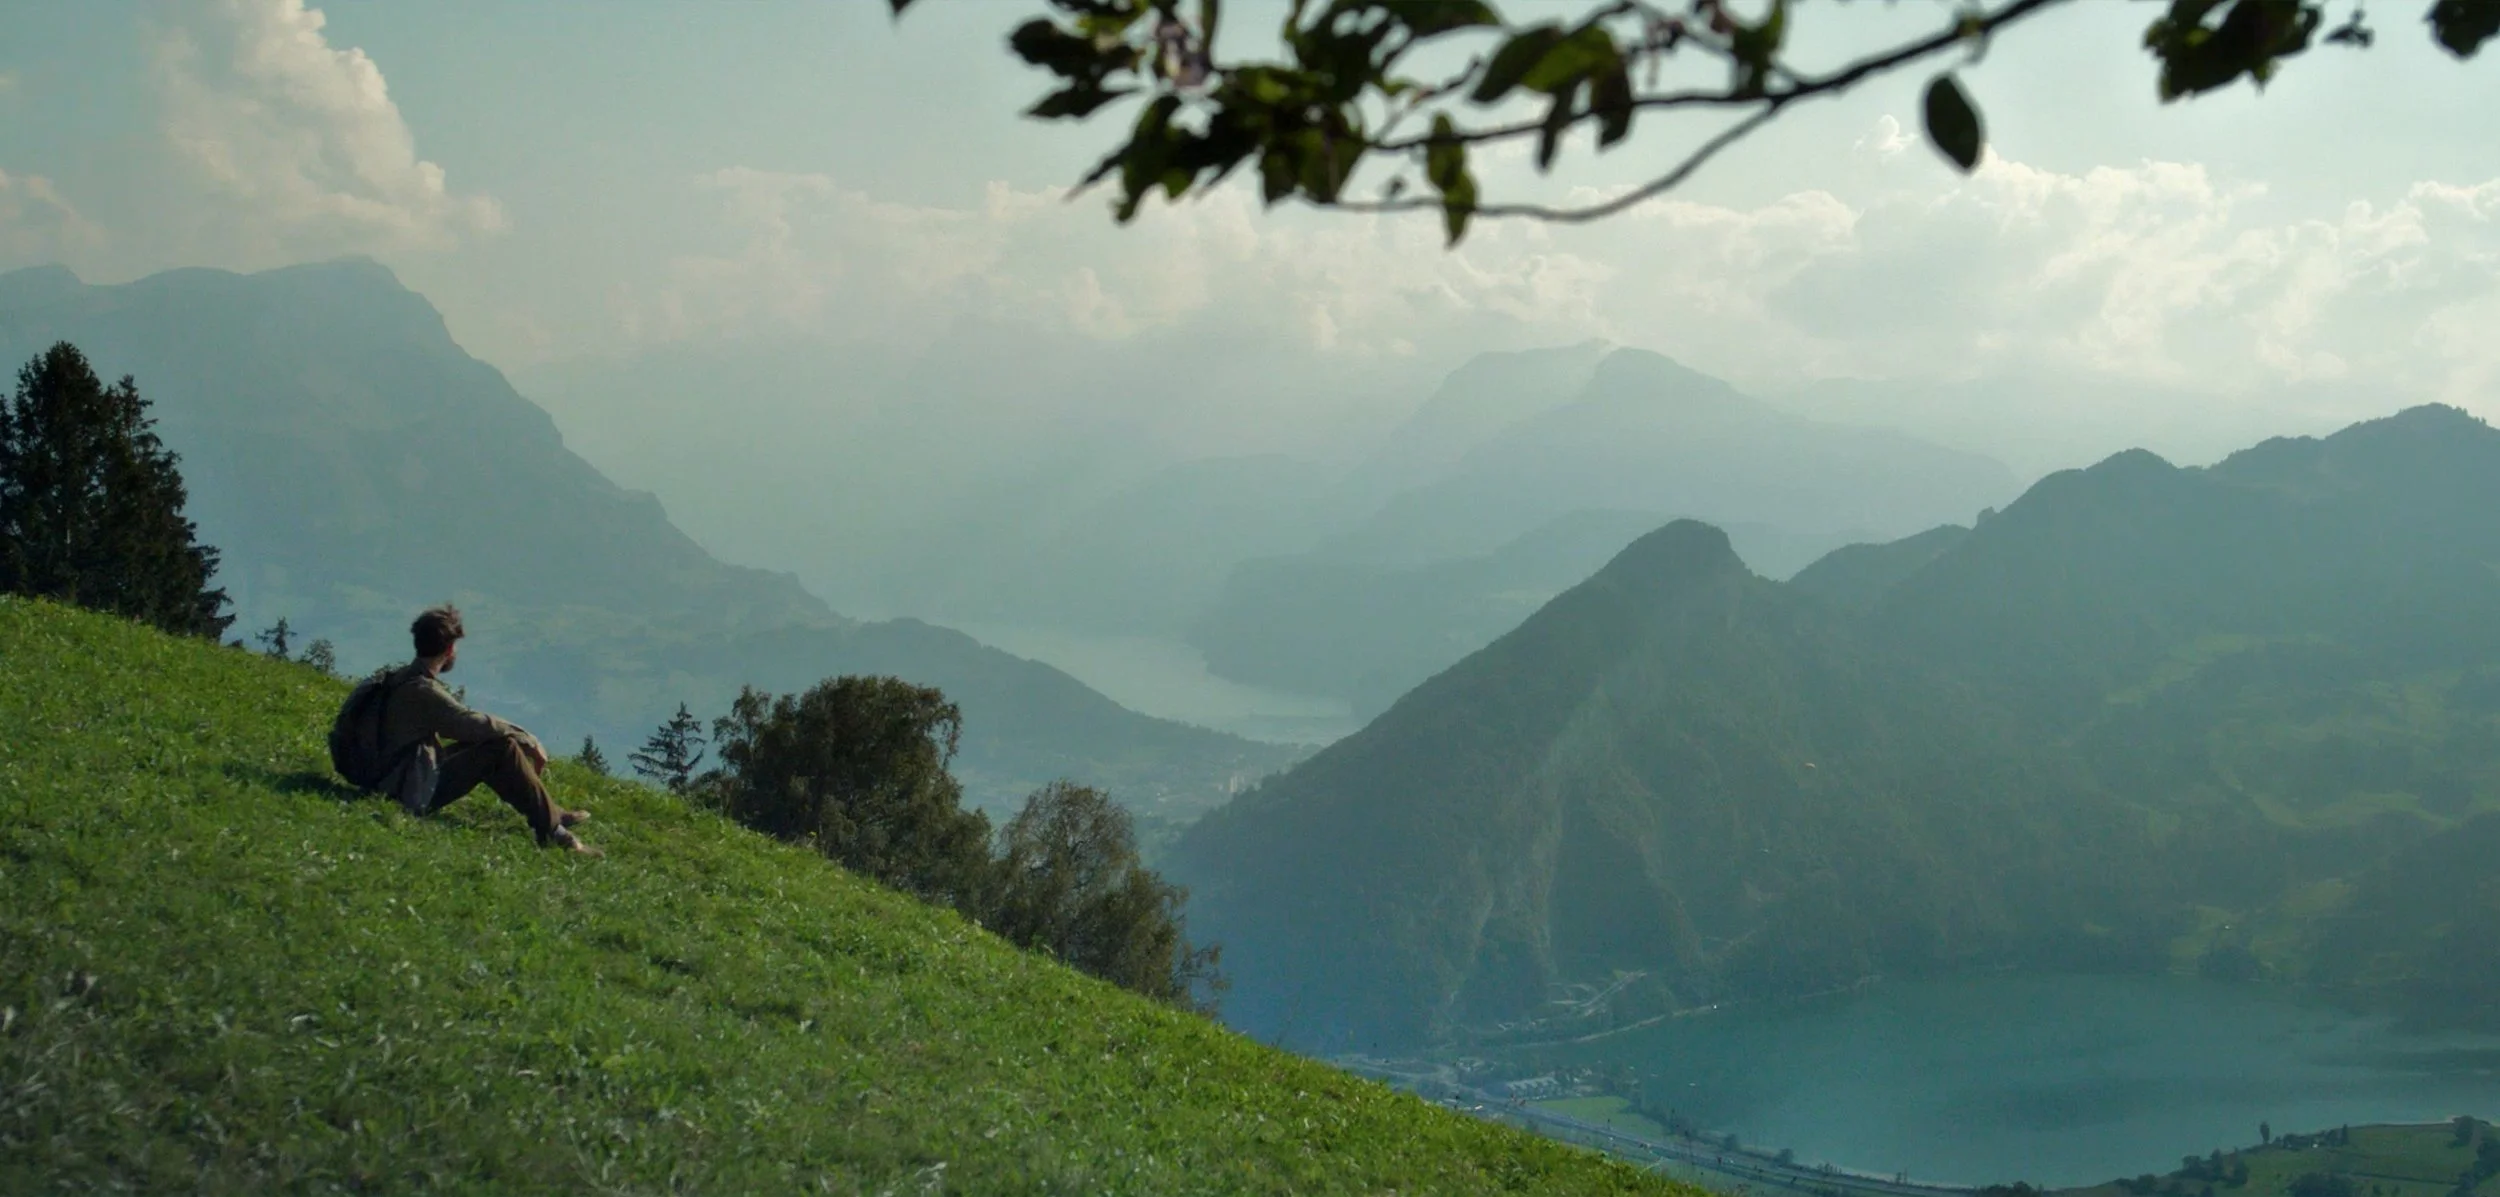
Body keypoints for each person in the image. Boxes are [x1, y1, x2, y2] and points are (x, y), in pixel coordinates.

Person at [378, 604, 600, 856]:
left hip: (390, 777)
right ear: (450, 649)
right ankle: (556, 835)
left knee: (489, 745)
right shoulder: (423, 691)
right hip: (405, 791)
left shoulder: (397, 678)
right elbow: (468, 723)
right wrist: (526, 739)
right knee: (501, 748)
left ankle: (550, 812)